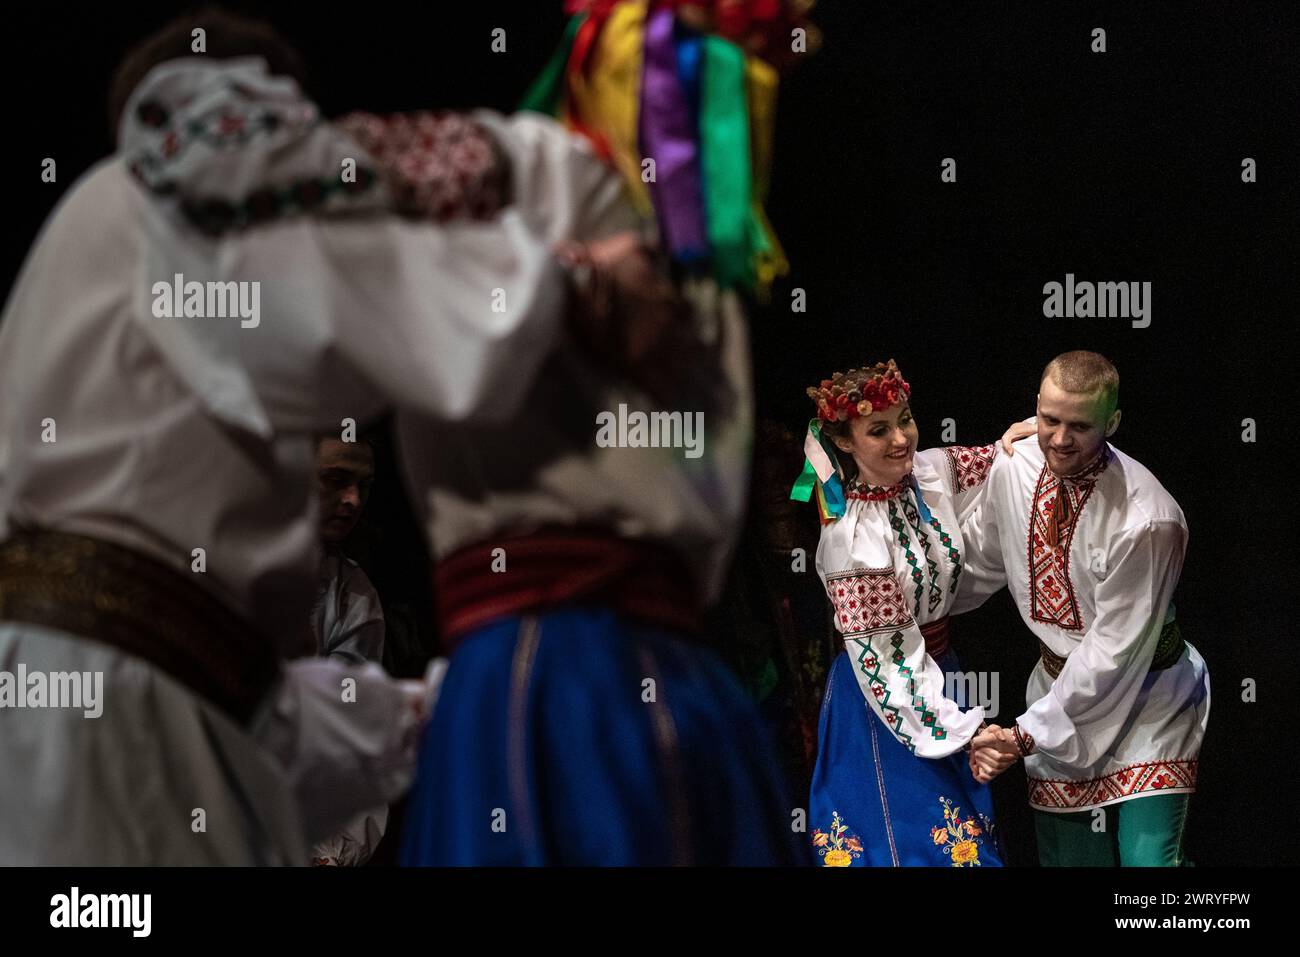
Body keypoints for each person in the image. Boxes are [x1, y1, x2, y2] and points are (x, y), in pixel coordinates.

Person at [0, 9, 652, 864]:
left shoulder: (97, 271)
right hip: (107, 734)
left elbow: (243, 711)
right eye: (283, 113)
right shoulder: (172, 175)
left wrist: (437, 708)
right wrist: (577, 276)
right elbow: (359, 241)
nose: (305, 133)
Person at [955, 351, 1210, 866]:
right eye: (1049, 420)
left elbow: (1113, 653)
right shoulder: (1015, 463)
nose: (1059, 439)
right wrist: (908, 607)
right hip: (1056, 693)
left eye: (1079, 425)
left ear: (1112, 423)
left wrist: (1024, 733)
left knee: (1148, 867)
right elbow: (979, 561)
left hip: (1147, 702)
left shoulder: (1147, 520)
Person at [794, 359, 1031, 866]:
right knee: (916, 849)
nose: (901, 438)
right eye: (878, 430)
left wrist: (1029, 434)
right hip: (882, 701)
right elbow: (890, 665)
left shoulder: (928, 472)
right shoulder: (851, 541)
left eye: (905, 419)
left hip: (941, 674)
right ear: (844, 442)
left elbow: (997, 461)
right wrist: (966, 732)